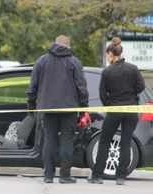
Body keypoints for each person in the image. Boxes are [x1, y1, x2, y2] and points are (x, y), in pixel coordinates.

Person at [27, 35, 89, 184]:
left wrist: (31, 105)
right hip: (69, 107)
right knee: (67, 140)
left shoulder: (41, 61)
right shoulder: (74, 62)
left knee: (49, 140)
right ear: (68, 47)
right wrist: (84, 107)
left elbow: (32, 86)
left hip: (47, 108)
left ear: (55, 44)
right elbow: (82, 87)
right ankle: (65, 175)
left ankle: (48, 176)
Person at [87, 37, 145, 185]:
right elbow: (141, 87)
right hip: (131, 109)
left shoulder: (107, 71)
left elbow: (102, 93)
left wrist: (108, 104)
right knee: (126, 142)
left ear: (111, 55)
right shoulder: (133, 68)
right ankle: (120, 177)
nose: (107, 58)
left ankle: (97, 175)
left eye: (107, 55)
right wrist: (131, 95)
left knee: (105, 141)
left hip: (114, 109)